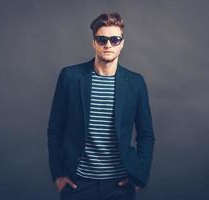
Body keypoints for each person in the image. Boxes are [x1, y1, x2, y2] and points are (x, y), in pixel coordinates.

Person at [47, 12, 155, 200]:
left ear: (121, 43)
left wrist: (139, 177)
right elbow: (55, 129)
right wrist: (58, 174)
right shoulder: (70, 77)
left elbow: (146, 135)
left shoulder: (135, 83)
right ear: (94, 42)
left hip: (119, 185)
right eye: (102, 39)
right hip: (77, 183)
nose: (108, 45)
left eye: (114, 40)